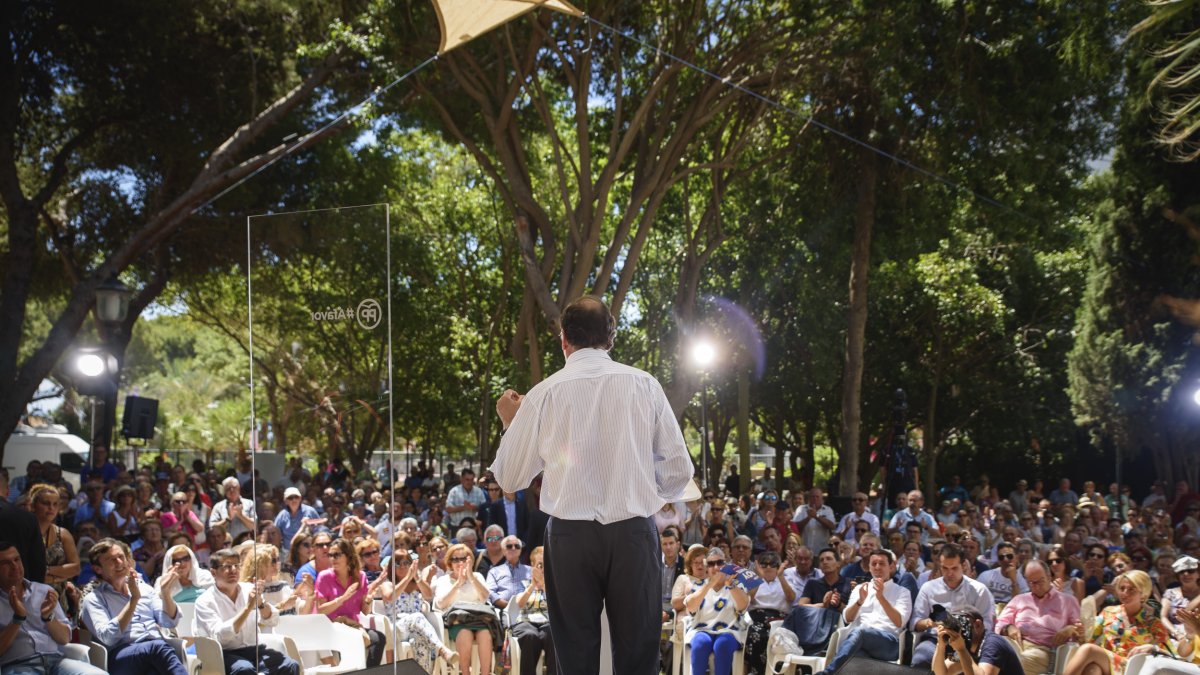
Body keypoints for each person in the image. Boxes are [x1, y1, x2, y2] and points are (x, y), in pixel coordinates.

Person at [490, 295, 693, 674]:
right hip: (633, 532)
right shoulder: (644, 385)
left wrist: (510, 424)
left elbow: (510, 479)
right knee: (638, 654)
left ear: (564, 338)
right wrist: (637, 486)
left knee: (575, 654)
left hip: (570, 538)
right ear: (610, 338)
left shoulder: (544, 393)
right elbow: (679, 471)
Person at [79, 538, 187, 675]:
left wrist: (165, 594)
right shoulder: (94, 599)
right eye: (111, 560)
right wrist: (134, 600)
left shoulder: (144, 588)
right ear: (98, 569)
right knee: (157, 648)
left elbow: (169, 621)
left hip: (155, 652)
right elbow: (108, 637)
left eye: (121, 557)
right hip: (121, 655)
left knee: (155, 666)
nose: (119, 563)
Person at [0, 541, 106, 674]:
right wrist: (17, 619)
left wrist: (48, 617)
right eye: (5, 563)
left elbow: (64, 639)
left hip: (57, 662)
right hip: (19, 666)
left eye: (16, 559)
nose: (14, 566)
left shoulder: (44, 591)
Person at [193, 548, 300, 675]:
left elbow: (272, 620)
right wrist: (248, 608)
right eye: (227, 566)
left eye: (236, 566)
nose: (233, 570)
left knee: (290, 665)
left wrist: (260, 603)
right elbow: (220, 636)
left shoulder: (248, 589)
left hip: (254, 650)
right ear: (213, 572)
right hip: (225, 653)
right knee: (244, 670)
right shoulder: (205, 601)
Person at [817, 549, 913, 675]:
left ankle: (827, 673)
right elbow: (847, 618)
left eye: (882, 563)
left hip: (888, 643)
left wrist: (881, 597)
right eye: (874, 564)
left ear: (892, 566)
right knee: (856, 658)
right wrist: (859, 602)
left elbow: (900, 622)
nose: (877, 567)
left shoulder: (902, 592)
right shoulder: (860, 589)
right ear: (869, 567)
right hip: (859, 643)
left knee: (860, 632)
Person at [1064, 570, 1175, 675]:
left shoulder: (1153, 623)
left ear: (1143, 594)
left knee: (1089, 650)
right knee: (1093, 670)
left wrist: (1152, 648)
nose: (1125, 593)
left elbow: (1172, 656)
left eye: (1131, 589)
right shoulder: (1108, 612)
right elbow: (1087, 640)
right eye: (1122, 588)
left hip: (1132, 669)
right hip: (1107, 664)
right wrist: (1081, 633)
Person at [910, 543, 997, 668]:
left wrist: (967, 630)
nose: (949, 573)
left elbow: (987, 626)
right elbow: (915, 623)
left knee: (961, 665)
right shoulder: (928, 588)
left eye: (954, 568)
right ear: (940, 566)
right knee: (921, 659)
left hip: (968, 643)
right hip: (936, 639)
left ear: (963, 565)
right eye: (945, 568)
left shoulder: (979, 590)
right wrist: (930, 622)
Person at [995, 560, 1081, 675]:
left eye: (1040, 581)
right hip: (1016, 645)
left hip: (1043, 650)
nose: (1037, 586)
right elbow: (999, 624)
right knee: (996, 653)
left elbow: (1081, 634)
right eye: (1032, 583)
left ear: (1049, 577)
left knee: (1012, 661)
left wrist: (1071, 629)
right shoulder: (1020, 600)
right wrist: (1009, 627)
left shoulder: (1068, 601)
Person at [314, 538, 388, 667]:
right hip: (330, 626)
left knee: (378, 638)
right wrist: (342, 599)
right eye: (330, 555)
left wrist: (368, 600)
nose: (333, 558)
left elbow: (364, 611)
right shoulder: (324, 577)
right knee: (352, 639)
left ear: (348, 556)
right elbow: (320, 610)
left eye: (337, 554)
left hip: (353, 625)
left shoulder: (360, 576)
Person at [682, 547, 750, 675]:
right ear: (706, 567)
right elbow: (690, 607)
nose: (716, 567)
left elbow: (743, 606)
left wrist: (730, 586)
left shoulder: (737, 584)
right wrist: (709, 585)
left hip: (730, 631)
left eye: (720, 563)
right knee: (700, 643)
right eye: (711, 564)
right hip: (702, 629)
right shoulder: (697, 585)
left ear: (726, 564)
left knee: (722, 644)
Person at [432, 542, 495, 675]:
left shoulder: (477, 577)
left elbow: (484, 598)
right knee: (465, 633)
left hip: (478, 620)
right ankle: (465, 673)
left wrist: (471, 577)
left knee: (485, 634)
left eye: (463, 559)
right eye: (455, 559)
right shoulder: (443, 580)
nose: (459, 562)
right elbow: (440, 604)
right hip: (457, 621)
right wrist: (457, 584)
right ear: (450, 562)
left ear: (470, 561)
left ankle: (485, 673)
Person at [932, 606, 1024, 675]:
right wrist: (940, 645)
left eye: (963, 625)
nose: (960, 631)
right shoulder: (966, 644)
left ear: (978, 625)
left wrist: (961, 650)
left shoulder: (993, 643)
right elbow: (941, 673)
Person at [510, 546, 554, 675]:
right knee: (529, 636)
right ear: (533, 565)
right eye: (540, 564)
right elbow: (520, 603)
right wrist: (533, 585)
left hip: (548, 622)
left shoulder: (555, 583)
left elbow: (557, 604)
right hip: (525, 621)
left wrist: (544, 585)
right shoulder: (523, 583)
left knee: (552, 635)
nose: (543, 568)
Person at [485, 535, 530, 609]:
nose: (513, 548)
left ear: (520, 550)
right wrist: (509, 606)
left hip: (527, 610)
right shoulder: (494, 571)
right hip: (502, 611)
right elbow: (490, 592)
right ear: (503, 551)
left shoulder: (530, 570)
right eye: (509, 546)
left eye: (517, 546)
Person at [208, 478, 256, 542]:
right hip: (226, 545)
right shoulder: (218, 506)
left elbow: (254, 526)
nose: (232, 490)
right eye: (228, 488)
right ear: (225, 491)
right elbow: (213, 528)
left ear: (239, 488)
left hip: (245, 544)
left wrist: (241, 516)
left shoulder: (249, 503)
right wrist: (228, 519)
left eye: (234, 487)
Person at [273, 488, 318, 554]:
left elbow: (319, 529)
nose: (294, 500)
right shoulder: (282, 515)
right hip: (288, 552)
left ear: (300, 499)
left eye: (296, 497)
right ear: (286, 501)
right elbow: (276, 533)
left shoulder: (310, 511)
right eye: (290, 498)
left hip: (309, 551)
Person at [793, 488, 836, 553]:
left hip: (822, 551)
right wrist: (808, 518)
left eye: (817, 497)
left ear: (822, 498)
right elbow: (795, 527)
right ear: (809, 498)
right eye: (813, 496)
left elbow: (832, 526)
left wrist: (816, 516)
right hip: (804, 551)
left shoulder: (828, 510)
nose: (815, 499)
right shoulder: (801, 509)